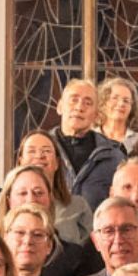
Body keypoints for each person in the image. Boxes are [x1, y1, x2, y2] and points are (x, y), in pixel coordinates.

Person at [48, 77, 125, 210]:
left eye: (87, 103)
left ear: (96, 115)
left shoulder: (113, 155)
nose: (79, 107)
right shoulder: (39, 148)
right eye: (74, 100)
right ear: (60, 107)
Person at [15, 133, 94, 247]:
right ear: (20, 161)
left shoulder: (78, 205)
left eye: (46, 151)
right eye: (32, 151)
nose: (39, 156)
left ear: (57, 163)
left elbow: (89, 252)